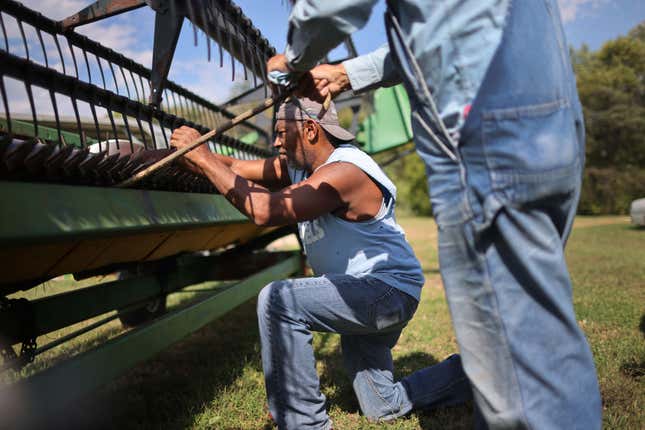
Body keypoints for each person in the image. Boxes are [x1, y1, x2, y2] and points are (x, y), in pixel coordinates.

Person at [265, 1, 602, 429]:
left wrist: (294, 58)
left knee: (515, 359)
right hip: (550, 118)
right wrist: (348, 72)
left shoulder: (346, 168)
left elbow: (331, 7)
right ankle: (476, 378)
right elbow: (436, 31)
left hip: (481, 124)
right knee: (522, 337)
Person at [170, 97, 471, 429]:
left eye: (282, 133)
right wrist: (181, 157)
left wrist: (201, 157)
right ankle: (482, 372)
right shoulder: (301, 167)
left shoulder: (344, 172)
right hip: (359, 292)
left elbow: (265, 211)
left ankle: (304, 424)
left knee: (280, 301)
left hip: (384, 293)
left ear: (311, 130)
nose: (276, 142)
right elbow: (236, 168)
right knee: (383, 405)